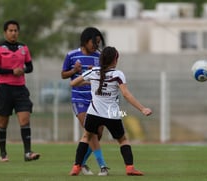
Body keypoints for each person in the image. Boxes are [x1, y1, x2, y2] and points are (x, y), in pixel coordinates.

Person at [69, 46, 152, 176]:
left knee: (86, 137)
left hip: (93, 113)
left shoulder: (93, 71)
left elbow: (73, 83)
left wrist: (92, 83)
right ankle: (129, 168)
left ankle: (76, 167)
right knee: (123, 140)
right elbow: (126, 94)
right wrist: (143, 109)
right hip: (111, 114)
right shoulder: (118, 74)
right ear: (115, 60)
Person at [0, 20, 40, 162]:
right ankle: (3, 153)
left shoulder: (23, 47)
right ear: (5, 32)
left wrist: (22, 70)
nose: (13, 33)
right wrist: (11, 71)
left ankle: (28, 153)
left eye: (15, 30)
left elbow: (30, 67)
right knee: (2, 123)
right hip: (4, 89)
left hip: (20, 89)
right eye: (10, 30)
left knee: (25, 119)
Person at [61, 27, 107, 175]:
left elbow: (104, 76)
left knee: (98, 132)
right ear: (86, 40)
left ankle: (81, 163)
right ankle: (103, 166)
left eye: (99, 43)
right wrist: (74, 71)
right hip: (79, 98)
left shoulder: (99, 57)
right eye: (94, 42)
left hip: (96, 100)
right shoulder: (72, 55)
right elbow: (63, 74)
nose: (96, 45)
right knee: (91, 130)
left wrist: (97, 73)